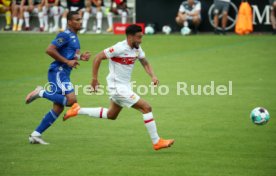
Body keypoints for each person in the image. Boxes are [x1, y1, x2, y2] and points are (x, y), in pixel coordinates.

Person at [63, 24, 175, 151]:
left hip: (125, 87)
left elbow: (144, 62)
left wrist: (153, 76)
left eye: (141, 37)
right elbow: (98, 57)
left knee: (111, 114)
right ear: (130, 37)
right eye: (138, 37)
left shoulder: (137, 48)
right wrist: (94, 79)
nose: (140, 40)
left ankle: (78, 110)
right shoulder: (119, 48)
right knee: (146, 107)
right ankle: (157, 141)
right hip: (117, 88)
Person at [25, 11, 91, 144]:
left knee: (58, 107)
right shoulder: (65, 35)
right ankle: (41, 92)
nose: (80, 21)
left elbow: (67, 53)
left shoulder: (74, 36)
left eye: (81, 19)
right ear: (69, 22)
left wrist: (79, 57)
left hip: (64, 72)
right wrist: (67, 62)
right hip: (58, 72)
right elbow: (50, 49)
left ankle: (35, 135)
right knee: (72, 100)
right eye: (77, 19)